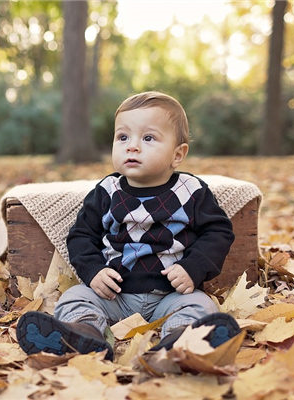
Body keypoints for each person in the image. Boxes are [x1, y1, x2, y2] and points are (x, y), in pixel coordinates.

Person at [17, 91, 240, 361]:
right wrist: (94, 271)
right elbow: (81, 235)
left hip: (171, 295)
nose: (132, 146)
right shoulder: (107, 191)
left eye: (148, 138)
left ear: (177, 154)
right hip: (115, 296)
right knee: (75, 297)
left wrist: (192, 268)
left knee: (200, 305)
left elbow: (218, 232)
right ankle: (85, 334)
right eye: (123, 137)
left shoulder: (190, 191)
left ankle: (180, 339)